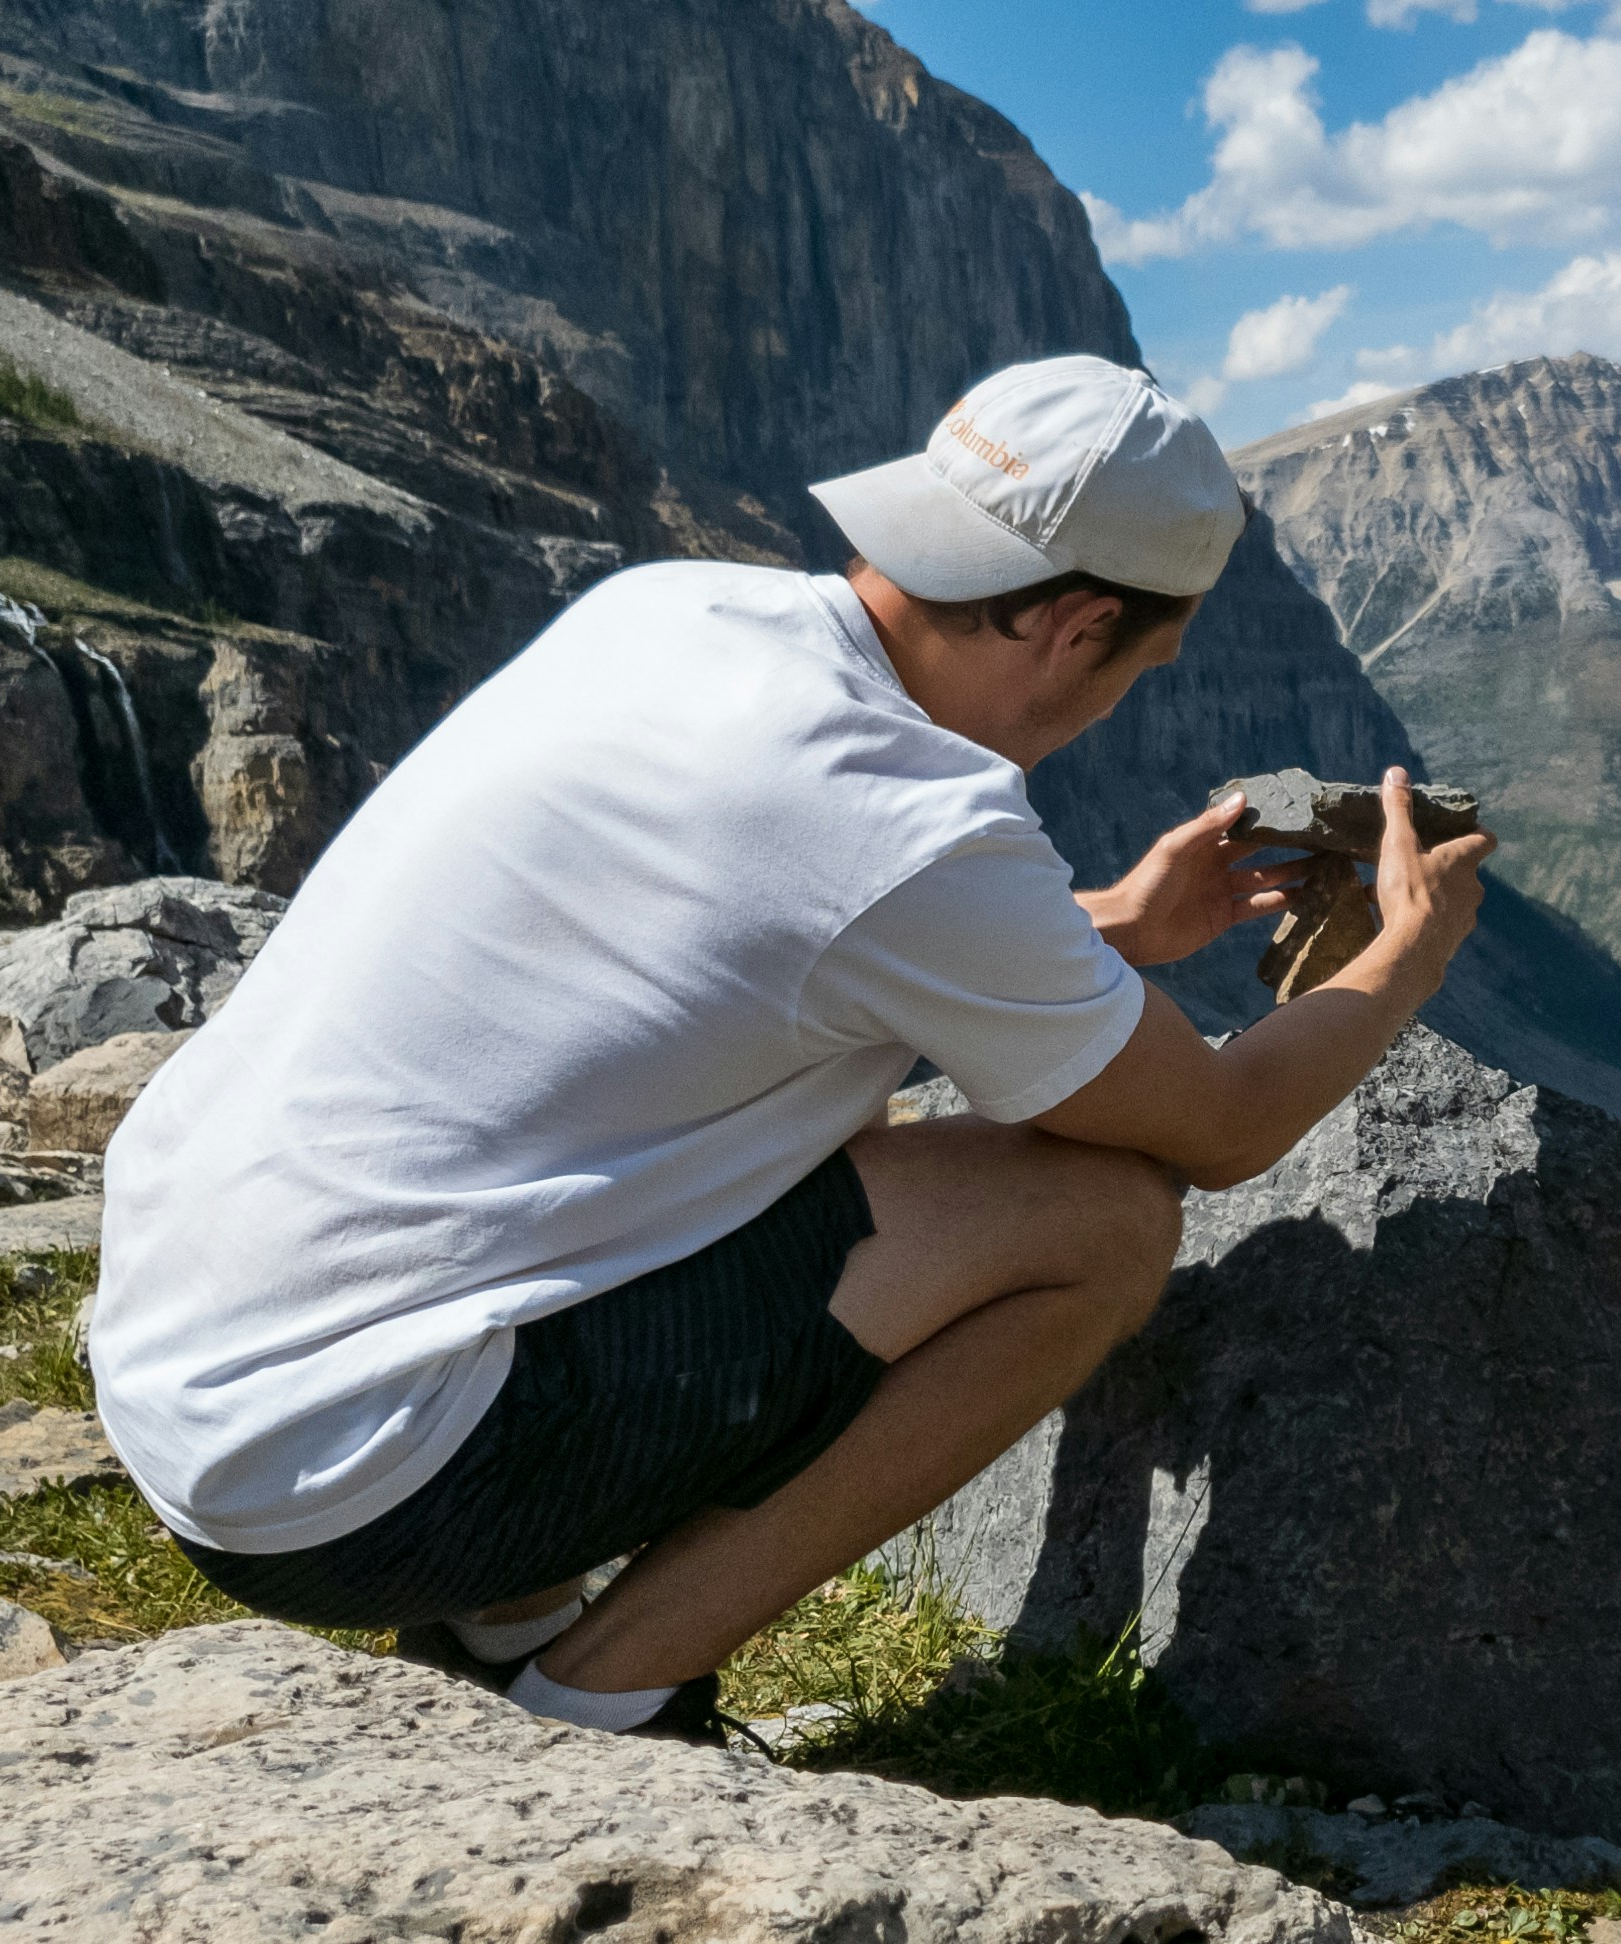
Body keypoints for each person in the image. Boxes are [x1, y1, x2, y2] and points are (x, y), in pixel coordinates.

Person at [88, 355, 1495, 1739]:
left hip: (188, 1376)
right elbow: (1225, 1124)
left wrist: (1107, 926)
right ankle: (606, 1698)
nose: (1126, 694)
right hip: (355, 1490)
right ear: (1075, 627)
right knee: (1101, 1218)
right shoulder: (910, 817)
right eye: (1145, 661)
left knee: (757, 1154)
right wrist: (1400, 956)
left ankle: (505, 1613)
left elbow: (758, 930)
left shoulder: (667, 609)